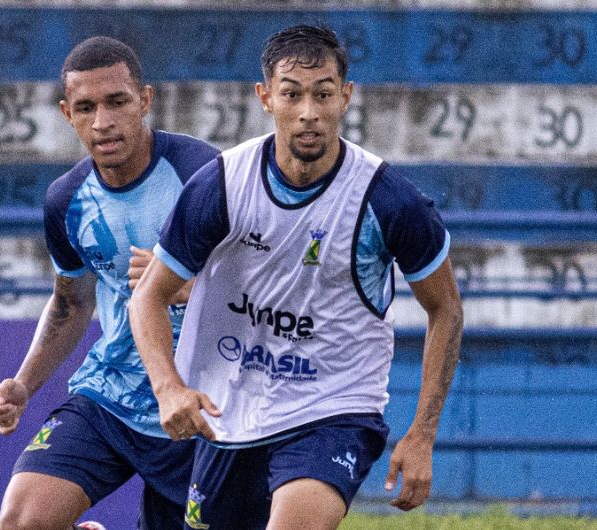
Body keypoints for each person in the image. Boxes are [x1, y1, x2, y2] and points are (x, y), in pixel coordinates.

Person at [129, 23, 463, 530]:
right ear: (265, 97)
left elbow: (446, 308)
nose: (309, 112)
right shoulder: (221, 184)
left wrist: (422, 434)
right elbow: (147, 298)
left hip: (335, 407)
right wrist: (169, 388)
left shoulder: (389, 201)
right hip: (232, 411)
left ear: (346, 97)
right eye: (292, 95)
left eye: (323, 94)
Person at [0, 36, 219, 530]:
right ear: (68, 113)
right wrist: (23, 385)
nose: (102, 121)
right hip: (109, 398)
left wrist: (185, 285)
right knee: (21, 521)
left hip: (202, 411)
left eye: (117, 102)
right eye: (85, 107)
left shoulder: (205, 176)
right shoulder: (66, 200)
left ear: (145, 100)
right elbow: (70, 305)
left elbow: (268, 289)